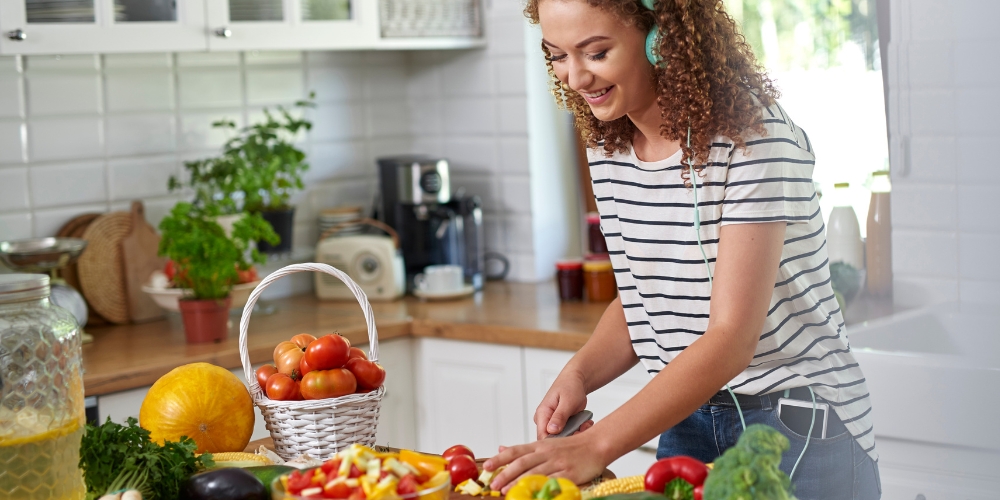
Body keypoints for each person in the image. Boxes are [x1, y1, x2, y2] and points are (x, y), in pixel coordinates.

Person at [482, 1, 881, 498]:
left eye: (596, 52)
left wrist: (596, 446)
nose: (575, 78)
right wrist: (579, 371)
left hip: (796, 424)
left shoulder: (756, 140)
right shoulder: (609, 147)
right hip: (687, 413)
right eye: (557, 55)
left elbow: (731, 337)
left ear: (662, 38)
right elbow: (645, 298)